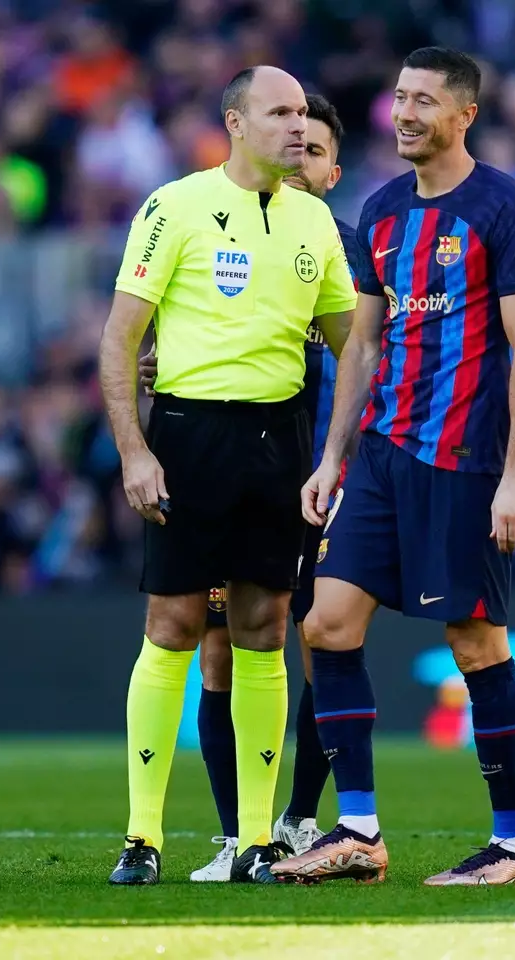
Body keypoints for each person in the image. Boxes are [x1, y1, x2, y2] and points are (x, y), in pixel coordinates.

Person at [271, 47, 515, 886]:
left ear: (465, 116)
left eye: (425, 100)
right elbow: (362, 345)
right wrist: (333, 458)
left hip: (463, 460)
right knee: (325, 625)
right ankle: (357, 830)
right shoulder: (383, 208)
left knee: (475, 643)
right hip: (382, 456)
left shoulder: (505, 210)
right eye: (400, 97)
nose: (404, 113)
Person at [100, 66, 358, 886]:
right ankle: (142, 836)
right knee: (174, 625)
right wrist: (135, 451)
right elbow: (120, 337)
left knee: (263, 628)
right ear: (236, 123)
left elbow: (356, 343)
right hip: (190, 433)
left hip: (279, 441)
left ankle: (255, 840)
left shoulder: (315, 221)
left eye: (302, 113)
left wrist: (333, 451)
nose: (297, 126)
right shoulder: (174, 206)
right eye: (280, 112)